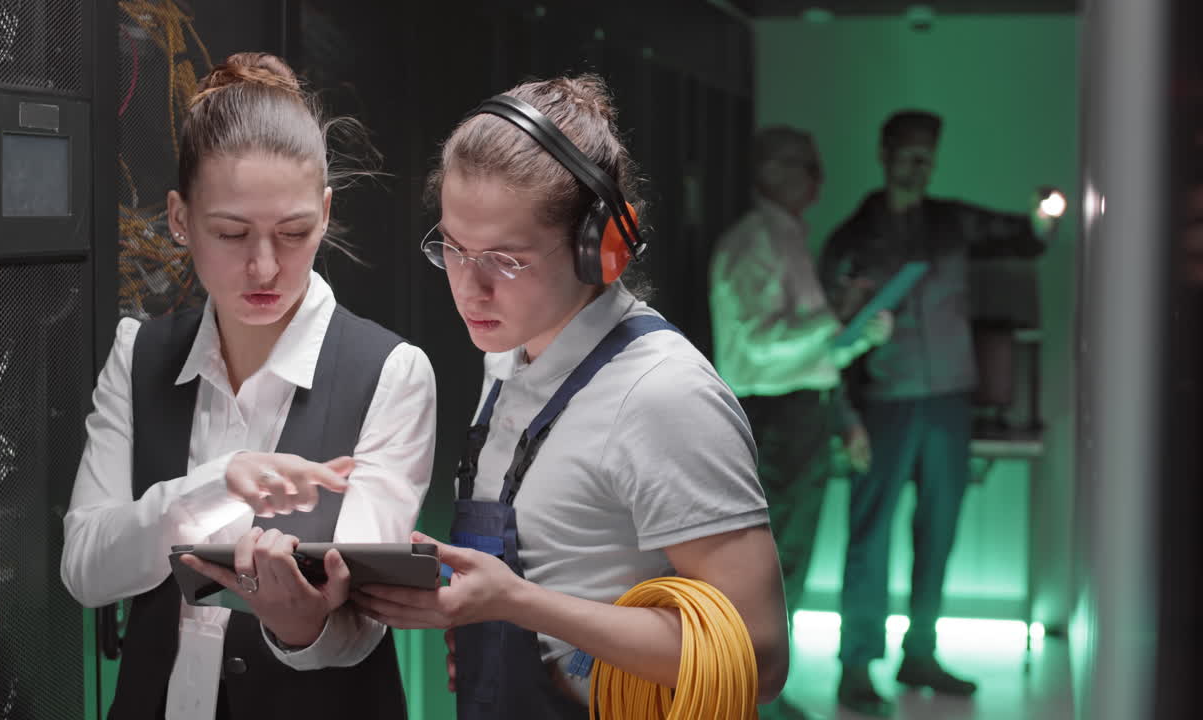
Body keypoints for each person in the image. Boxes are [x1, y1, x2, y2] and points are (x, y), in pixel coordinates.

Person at [351, 75, 789, 719]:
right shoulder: (508, 356)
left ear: (601, 249)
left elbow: (758, 659)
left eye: (505, 259)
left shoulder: (663, 395)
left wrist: (515, 606)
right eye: (453, 247)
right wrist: (487, 633)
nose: (470, 289)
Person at [59, 53, 437, 720]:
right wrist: (217, 481)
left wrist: (302, 624)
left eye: (293, 233)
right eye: (231, 233)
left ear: (325, 212)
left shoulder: (392, 372)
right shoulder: (138, 354)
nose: (264, 266)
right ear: (179, 219)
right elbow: (86, 569)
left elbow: (367, 611)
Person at [818, 110, 1054, 717]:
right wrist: (846, 416)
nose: (918, 167)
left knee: (939, 530)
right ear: (884, 153)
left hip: (950, 399)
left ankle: (920, 653)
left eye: (928, 156)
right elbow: (829, 338)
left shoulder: (951, 224)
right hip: (884, 402)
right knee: (869, 539)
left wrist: (1045, 214)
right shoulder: (852, 239)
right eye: (908, 154)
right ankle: (857, 663)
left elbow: (1025, 236)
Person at [709, 125, 893, 720]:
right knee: (768, 564)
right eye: (803, 164)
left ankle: (765, 689)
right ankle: (747, 692)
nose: (817, 177)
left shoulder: (785, 237)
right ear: (769, 171)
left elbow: (804, 351)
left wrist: (852, 337)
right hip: (772, 418)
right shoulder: (753, 241)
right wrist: (831, 322)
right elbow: (752, 352)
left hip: (799, 415)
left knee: (789, 561)